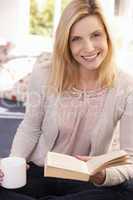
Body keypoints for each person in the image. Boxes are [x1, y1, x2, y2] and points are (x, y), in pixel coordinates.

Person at [0, 0, 133, 199]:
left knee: (126, 193)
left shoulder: (126, 85)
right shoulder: (45, 73)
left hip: (89, 181)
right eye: (76, 39)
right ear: (65, 43)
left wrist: (101, 175)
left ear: (107, 36)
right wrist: (13, 163)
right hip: (41, 172)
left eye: (95, 35)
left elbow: (129, 157)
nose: (88, 48)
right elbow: (30, 127)